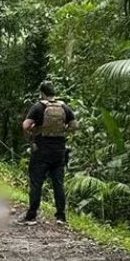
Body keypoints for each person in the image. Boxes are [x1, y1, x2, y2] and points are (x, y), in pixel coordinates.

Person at [20, 81, 77, 225]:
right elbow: (74, 126)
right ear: (54, 93)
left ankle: (32, 215)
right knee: (58, 183)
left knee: (36, 182)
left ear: (42, 93)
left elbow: (26, 126)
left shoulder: (38, 106)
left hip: (41, 150)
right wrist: (62, 129)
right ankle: (61, 216)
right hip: (59, 151)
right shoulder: (64, 106)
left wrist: (35, 128)